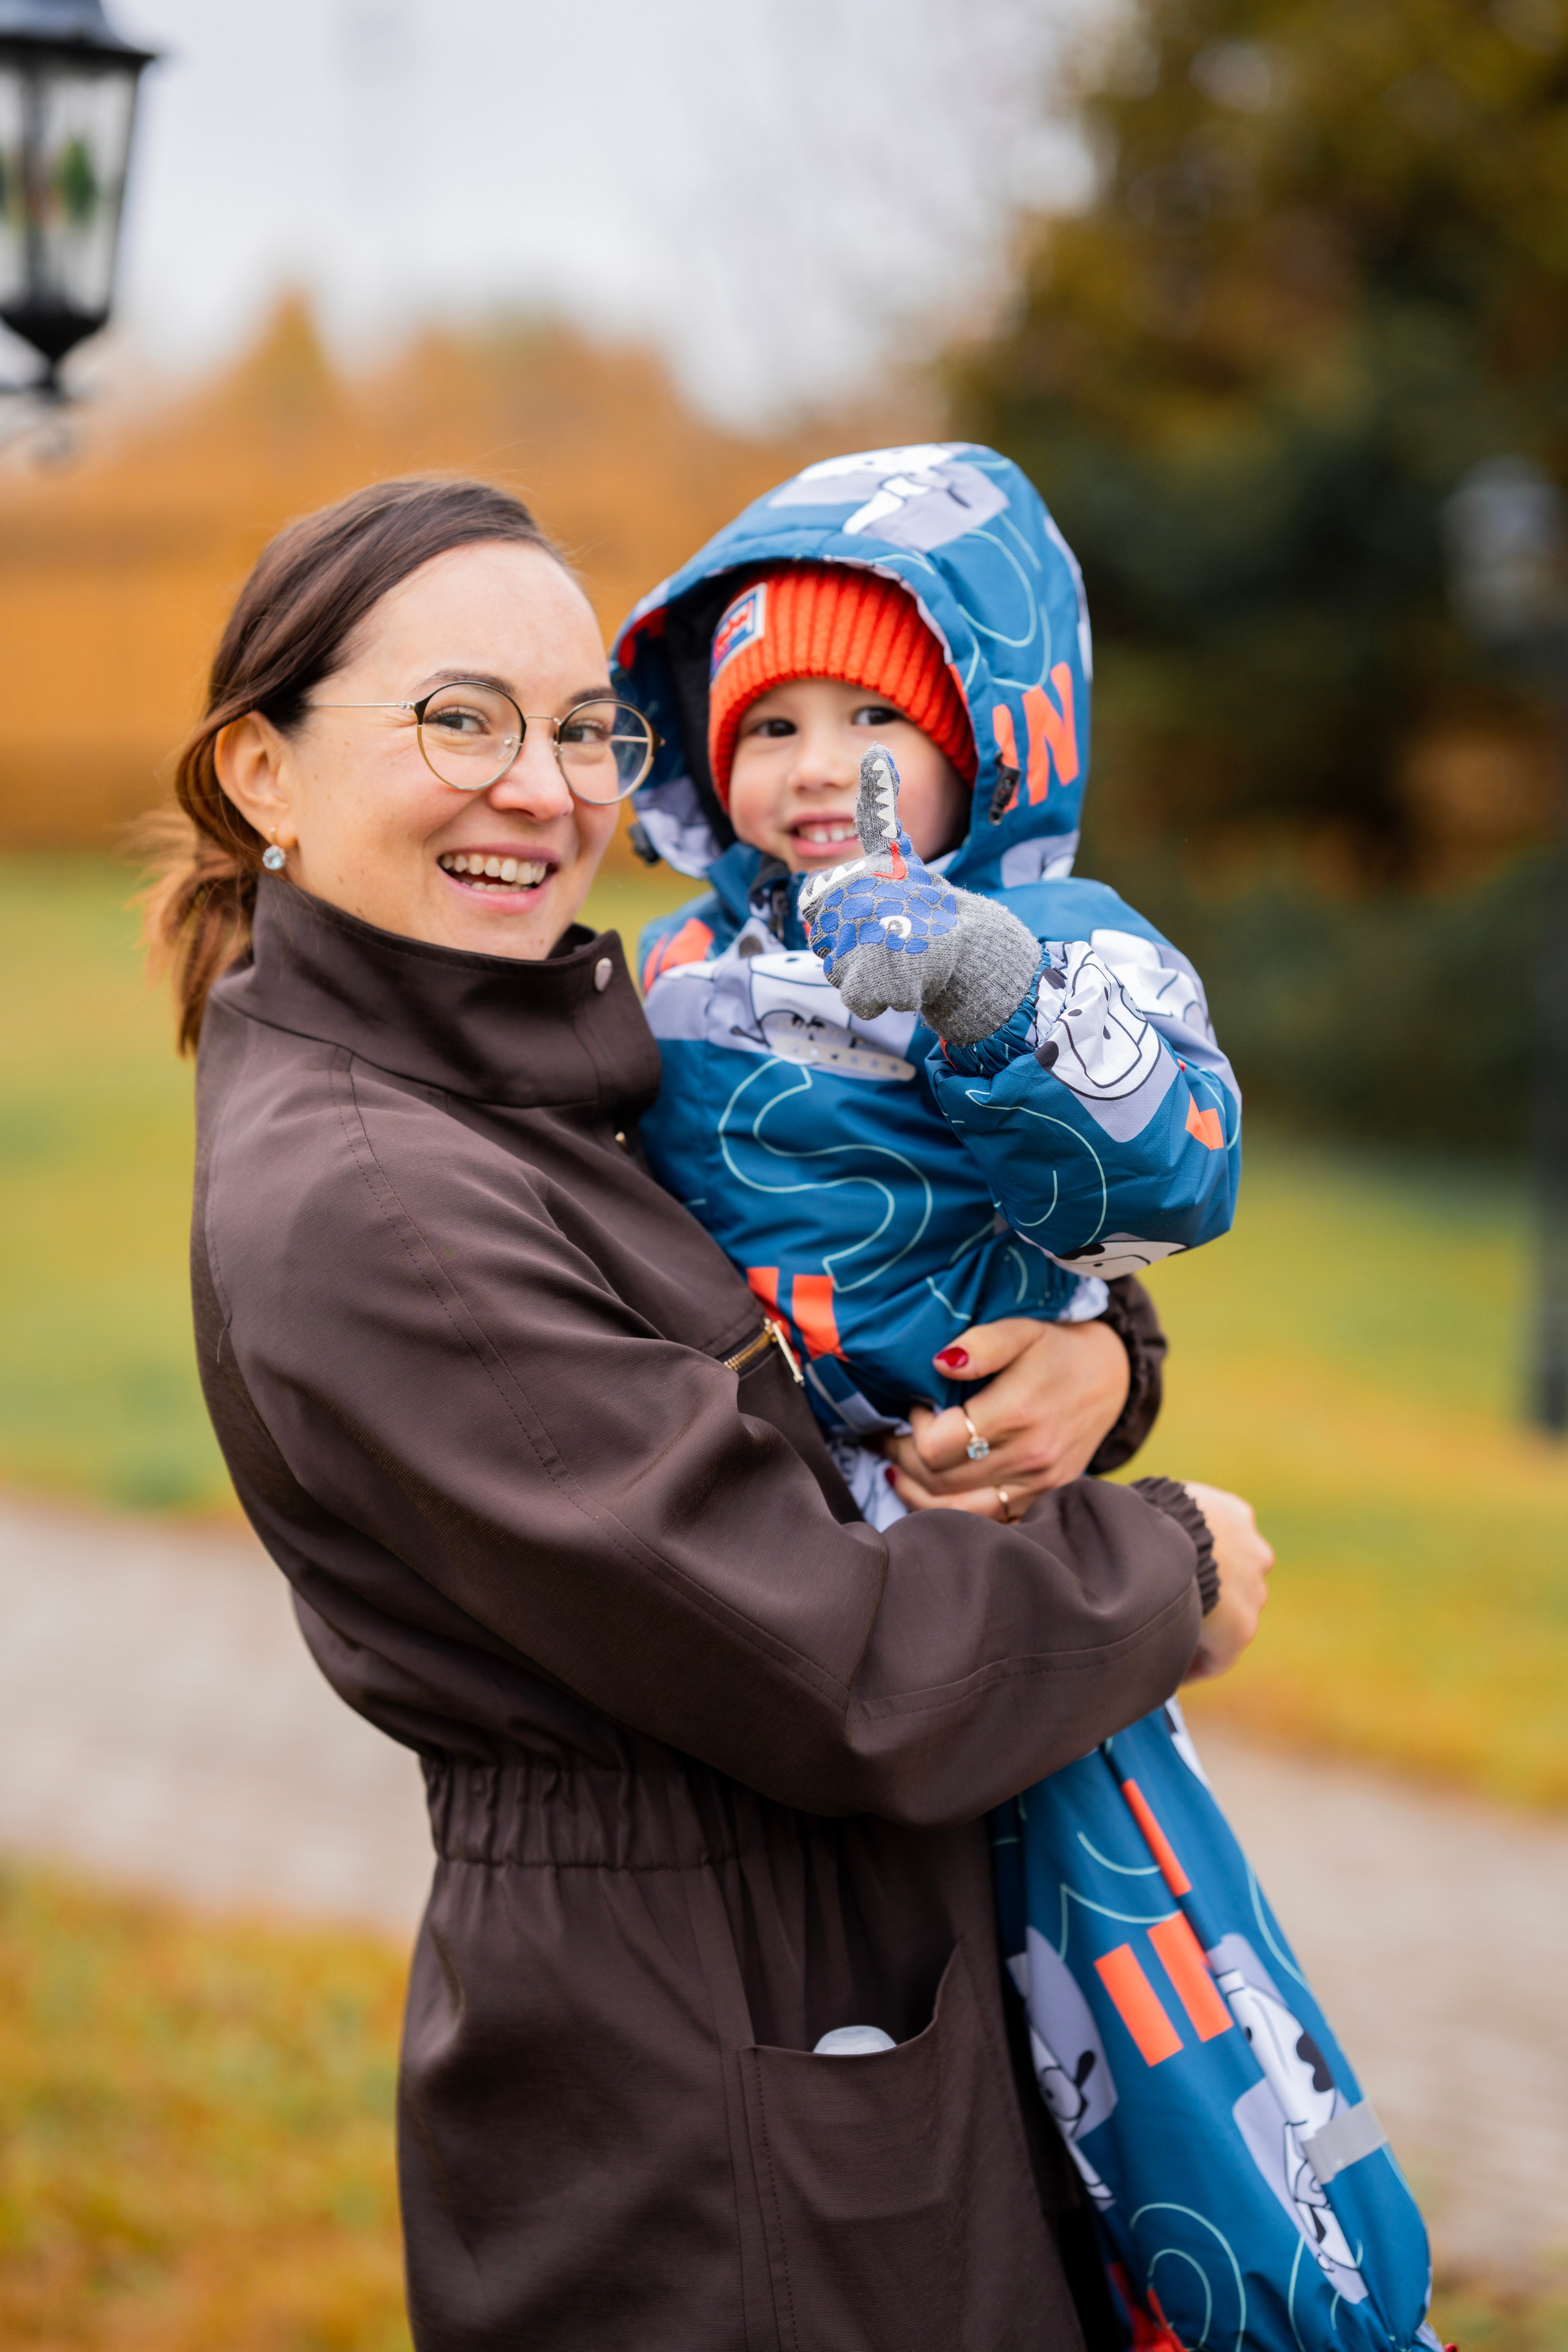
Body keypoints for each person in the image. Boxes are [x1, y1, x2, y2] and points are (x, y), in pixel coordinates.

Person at [149, 473, 1272, 2352]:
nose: (546, 787)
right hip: (697, 2083)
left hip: (813, 1988)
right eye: (460, 719)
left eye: (586, 726)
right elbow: (836, 1658)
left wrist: (1105, 1360)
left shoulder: (532, 1072)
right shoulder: (380, 1200)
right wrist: (1168, 1563)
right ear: (263, 772)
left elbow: (852, 1294)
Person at [616, 442, 1240, 1528]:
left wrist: (987, 993)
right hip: (744, 1489)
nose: (816, 765)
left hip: (964, 1484)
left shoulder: (1060, 941)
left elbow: (1172, 1186)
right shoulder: (680, 959)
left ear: (980, 751)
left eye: (874, 720)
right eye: (773, 726)